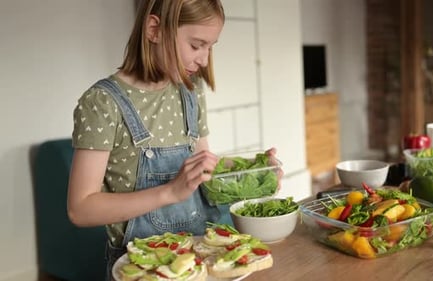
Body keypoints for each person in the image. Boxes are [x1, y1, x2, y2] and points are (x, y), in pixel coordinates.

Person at [67, 0, 281, 280]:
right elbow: (80, 209)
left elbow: (203, 170)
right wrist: (169, 192)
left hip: (201, 261)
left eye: (210, 47)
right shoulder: (103, 103)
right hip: (142, 268)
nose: (204, 60)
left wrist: (255, 171)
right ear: (154, 29)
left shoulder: (190, 90)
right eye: (196, 45)